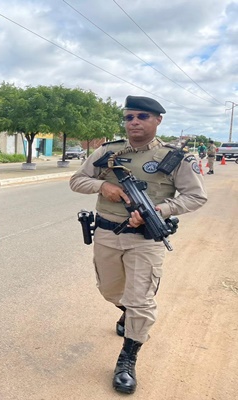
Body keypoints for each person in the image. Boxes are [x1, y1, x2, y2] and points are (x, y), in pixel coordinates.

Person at [69, 95, 207, 394]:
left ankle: (127, 360)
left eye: (142, 117)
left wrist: (162, 210)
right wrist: (103, 186)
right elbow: (77, 180)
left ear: (158, 120)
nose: (134, 122)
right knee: (109, 291)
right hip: (107, 233)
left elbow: (195, 196)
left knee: (141, 300)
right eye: (130, 117)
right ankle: (126, 311)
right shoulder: (108, 151)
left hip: (147, 239)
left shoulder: (175, 158)